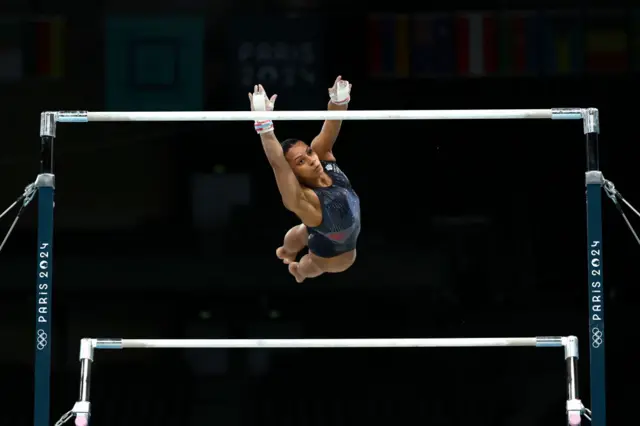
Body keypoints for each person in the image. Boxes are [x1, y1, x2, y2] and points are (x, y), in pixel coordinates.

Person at [248, 76, 361, 283]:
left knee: (301, 234)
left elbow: (332, 124)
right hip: (330, 258)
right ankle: (297, 269)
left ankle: (285, 251)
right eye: (301, 162)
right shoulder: (303, 199)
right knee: (308, 266)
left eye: (308, 152)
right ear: (295, 176)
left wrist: (338, 101)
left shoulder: (322, 157)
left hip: (318, 229)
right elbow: (278, 164)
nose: (312, 159)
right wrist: (263, 123)